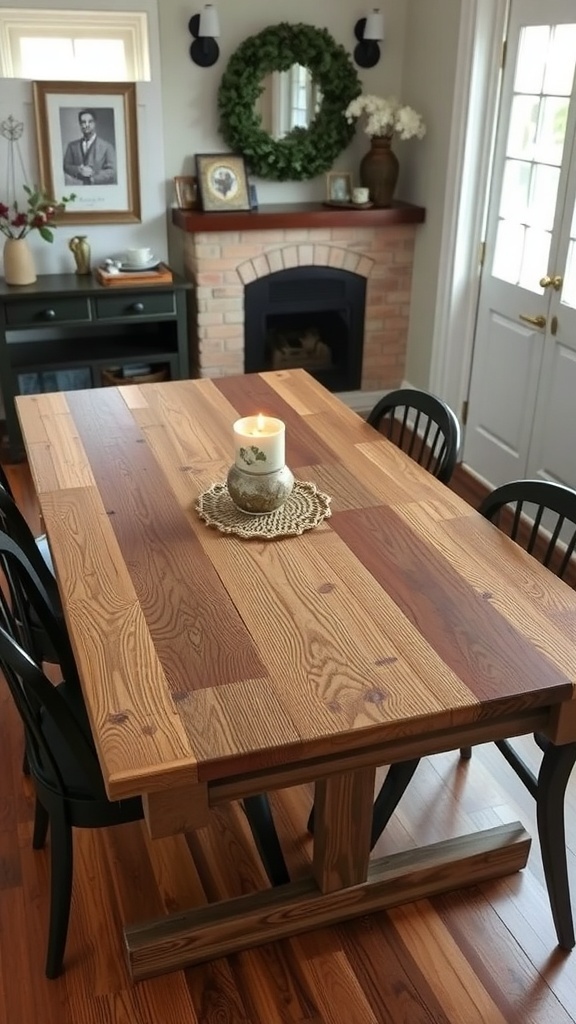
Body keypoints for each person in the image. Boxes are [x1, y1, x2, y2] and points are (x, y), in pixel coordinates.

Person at [63, 109, 117, 186]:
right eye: (83, 122)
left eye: (90, 122)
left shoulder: (107, 146)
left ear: (95, 123)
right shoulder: (72, 146)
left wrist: (93, 176)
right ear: (80, 125)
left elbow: (112, 172)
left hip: (99, 191)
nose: (86, 125)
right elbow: (66, 166)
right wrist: (79, 170)